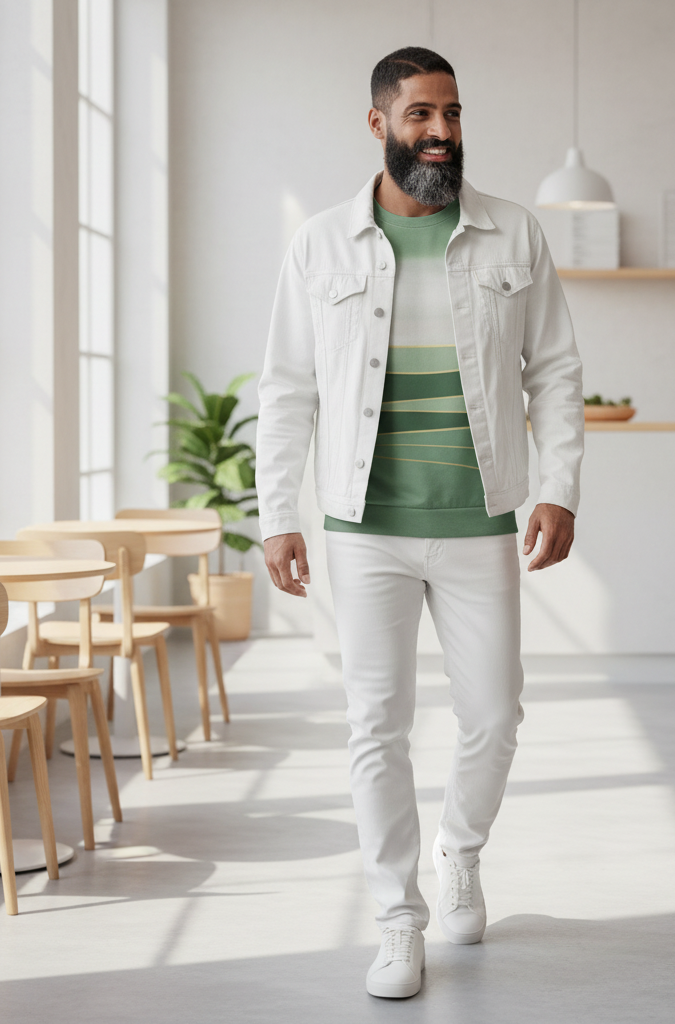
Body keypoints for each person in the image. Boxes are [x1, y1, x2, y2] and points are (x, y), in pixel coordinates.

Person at [256, 46, 583, 999]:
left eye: (451, 113)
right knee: (376, 723)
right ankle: (399, 921)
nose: (441, 132)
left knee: (493, 713)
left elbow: (555, 371)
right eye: (420, 116)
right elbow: (285, 391)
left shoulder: (512, 234)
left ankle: (460, 850)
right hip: (364, 528)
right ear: (379, 125)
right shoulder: (320, 245)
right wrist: (279, 515)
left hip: (481, 520)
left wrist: (558, 487)